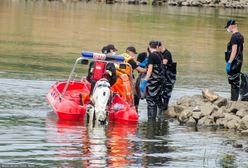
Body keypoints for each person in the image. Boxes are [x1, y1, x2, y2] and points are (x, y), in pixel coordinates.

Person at [140, 40, 164, 120]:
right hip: (160, 80)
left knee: (150, 100)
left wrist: (145, 81)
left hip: (153, 81)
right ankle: (157, 117)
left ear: (149, 47)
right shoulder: (160, 55)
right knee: (156, 99)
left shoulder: (151, 56)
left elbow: (150, 70)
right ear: (157, 47)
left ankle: (151, 120)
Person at [224, 19, 244, 101]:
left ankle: (233, 100)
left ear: (231, 26)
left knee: (233, 81)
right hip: (239, 60)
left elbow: (234, 51)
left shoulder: (234, 37)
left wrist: (229, 63)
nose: (227, 29)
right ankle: (234, 99)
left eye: (228, 27)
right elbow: (241, 49)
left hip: (234, 62)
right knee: (236, 80)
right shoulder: (241, 36)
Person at [158, 41, 177, 111]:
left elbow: (164, 63)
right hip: (163, 73)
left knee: (167, 90)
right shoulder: (159, 53)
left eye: (157, 48)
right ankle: (160, 106)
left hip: (169, 74)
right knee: (160, 90)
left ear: (160, 47)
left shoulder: (167, 53)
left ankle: (165, 106)